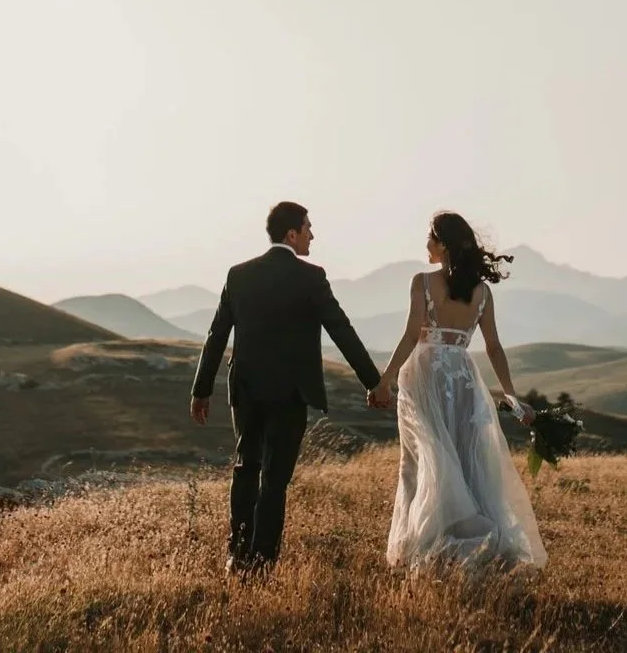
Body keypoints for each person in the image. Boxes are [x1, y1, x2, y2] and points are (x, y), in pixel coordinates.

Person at [188, 201, 386, 573]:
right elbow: (341, 330)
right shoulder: (311, 277)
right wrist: (373, 382)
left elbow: (217, 334)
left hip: (245, 389)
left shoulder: (238, 275)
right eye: (308, 227)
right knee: (274, 479)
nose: (313, 234)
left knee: (246, 467)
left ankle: (237, 554)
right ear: (291, 234)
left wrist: (201, 389)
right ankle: (262, 561)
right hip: (290, 393)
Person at [372, 211, 548, 572]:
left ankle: (429, 545)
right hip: (464, 379)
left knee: (425, 459)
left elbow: (410, 334)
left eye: (430, 237)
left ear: (443, 244)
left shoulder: (421, 281)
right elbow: (495, 348)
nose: (426, 244)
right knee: (466, 462)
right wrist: (511, 396)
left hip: (425, 377)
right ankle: (472, 544)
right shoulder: (482, 293)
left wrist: (386, 378)